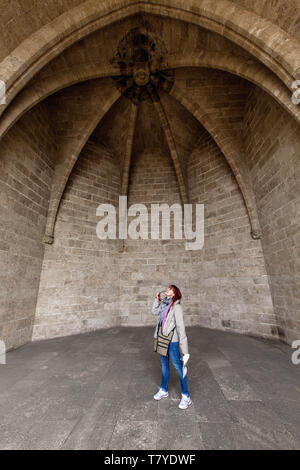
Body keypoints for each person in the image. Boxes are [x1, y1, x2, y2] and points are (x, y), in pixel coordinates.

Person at [151, 284, 192, 409]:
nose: (166, 290)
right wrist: (156, 299)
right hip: (162, 339)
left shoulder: (177, 307)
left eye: (169, 289)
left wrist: (185, 351)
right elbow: (154, 311)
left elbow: (181, 328)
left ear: (174, 293)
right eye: (167, 289)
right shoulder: (164, 303)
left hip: (172, 341)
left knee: (179, 367)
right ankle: (164, 390)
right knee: (164, 365)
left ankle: (186, 396)